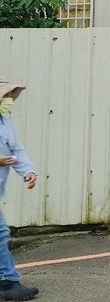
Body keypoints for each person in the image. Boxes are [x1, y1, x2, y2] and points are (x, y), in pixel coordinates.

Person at [0, 78, 38, 301]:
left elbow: (17, 150)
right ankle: (8, 281)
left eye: (11, 95)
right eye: (6, 95)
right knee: (1, 232)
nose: (9, 100)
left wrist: (28, 172)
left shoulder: (6, 122)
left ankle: (7, 281)